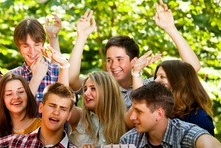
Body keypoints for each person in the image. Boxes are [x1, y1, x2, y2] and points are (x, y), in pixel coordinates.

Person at [69, 1, 201, 108]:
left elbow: (192, 67)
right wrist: (82, 37)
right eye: (109, 60)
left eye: (119, 59)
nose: (113, 65)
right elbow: (72, 80)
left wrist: (170, 28)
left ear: (133, 61)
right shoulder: (99, 86)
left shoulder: (149, 85)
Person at [129, 60, 215, 135]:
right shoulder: (156, 110)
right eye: (156, 76)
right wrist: (136, 72)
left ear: (179, 82)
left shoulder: (200, 118)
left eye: (162, 77)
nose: (155, 81)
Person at [11, 16, 70, 106]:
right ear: (19, 47)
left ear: (43, 43)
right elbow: (20, 109)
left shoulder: (59, 71)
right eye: (26, 46)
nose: (32, 51)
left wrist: (64, 65)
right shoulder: (13, 76)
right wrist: (36, 78)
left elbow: (64, 107)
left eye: (37, 44)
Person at [0, 72, 41, 141]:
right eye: (9, 94)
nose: (16, 97)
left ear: (28, 95)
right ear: (2, 100)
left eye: (21, 92)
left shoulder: (42, 127)